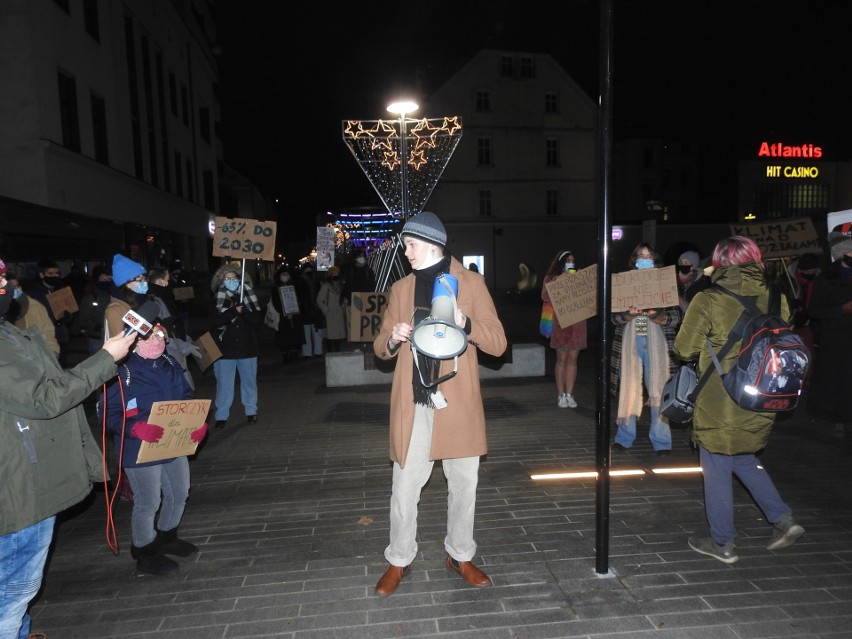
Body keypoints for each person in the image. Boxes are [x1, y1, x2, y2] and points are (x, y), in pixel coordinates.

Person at [0, 256, 138, 639]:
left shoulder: (7, 332)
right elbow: (45, 397)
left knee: (16, 589)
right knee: (14, 589)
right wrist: (106, 359)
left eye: (6, 281)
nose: (8, 290)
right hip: (18, 488)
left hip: (23, 477)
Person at [372, 211, 507, 596]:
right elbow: (380, 346)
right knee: (404, 487)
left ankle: (460, 554)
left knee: (464, 484)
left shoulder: (471, 283)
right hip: (414, 403)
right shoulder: (401, 289)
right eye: (405, 246)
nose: (406, 252)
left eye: (410, 245)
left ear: (432, 244)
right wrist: (394, 338)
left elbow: (498, 342)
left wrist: (467, 324)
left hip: (457, 401)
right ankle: (399, 559)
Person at [673, 236, 805, 564]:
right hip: (762, 394)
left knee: (716, 463)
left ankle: (722, 543)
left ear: (718, 262)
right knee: (744, 457)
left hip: (721, 399)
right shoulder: (776, 295)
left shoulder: (709, 299)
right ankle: (783, 519)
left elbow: (684, 349)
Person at [98, 324, 207, 575]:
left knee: (179, 493)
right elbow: (106, 413)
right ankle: (145, 551)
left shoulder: (169, 364)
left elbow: (186, 398)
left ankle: (167, 536)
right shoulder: (120, 372)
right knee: (148, 501)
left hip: (173, 441)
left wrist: (198, 423)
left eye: (161, 336)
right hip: (139, 448)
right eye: (150, 336)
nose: (157, 340)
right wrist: (134, 429)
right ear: (133, 341)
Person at [611, 243, 681, 455]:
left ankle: (661, 441)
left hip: (657, 344)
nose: (644, 259)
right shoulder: (624, 283)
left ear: (655, 259)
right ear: (634, 259)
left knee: (659, 391)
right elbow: (613, 318)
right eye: (640, 256)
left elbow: (675, 318)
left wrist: (656, 315)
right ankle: (624, 437)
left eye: (648, 256)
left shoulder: (664, 283)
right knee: (629, 389)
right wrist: (628, 315)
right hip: (630, 342)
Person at [806, 226, 852, 439]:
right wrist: (841, 309)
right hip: (837, 338)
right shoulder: (826, 278)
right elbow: (814, 310)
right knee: (839, 381)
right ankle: (838, 418)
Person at [209, 264, 262, 429]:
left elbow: (256, 321)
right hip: (225, 349)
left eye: (234, 278)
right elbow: (213, 322)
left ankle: (251, 411)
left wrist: (244, 311)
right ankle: (222, 415)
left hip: (247, 348)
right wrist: (233, 311)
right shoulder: (217, 298)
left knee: (249, 382)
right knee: (224, 384)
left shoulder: (249, 296)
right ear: (221, 281)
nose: (231, 281)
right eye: (227, 279)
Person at [541, 250, 587, 408]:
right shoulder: (551, 278)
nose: (571, 263)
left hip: (577, 326)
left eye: (573, 260)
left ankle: (569, 394)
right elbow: (545, 296)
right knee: (561, 360)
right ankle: (561, 395)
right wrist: (559, 279)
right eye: (568, 260)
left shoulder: (580, 276)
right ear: (561, 262)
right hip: (560, 326)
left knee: (573, 360)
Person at [147, 267, 198, 391]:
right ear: (160, 281)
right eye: (167, 280)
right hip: (170, 350)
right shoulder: (156, 300)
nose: (169, 283)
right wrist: (184, 346)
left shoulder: (163, 296)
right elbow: (165, 332)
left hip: (174, 345)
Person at [24, 259, 74, 366]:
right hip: (43, 337)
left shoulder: (61, 290)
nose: (55, 276)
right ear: (42, 275)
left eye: (57, 273)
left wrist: (66, 315)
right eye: (50, 274)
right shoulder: (33, 294)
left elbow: (70, 315)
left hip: (61, 336)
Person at [3, 272, 61, 359]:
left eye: (17, 286)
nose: (16, 289)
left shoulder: (34, 306)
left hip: (34, 360)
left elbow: (48, 332)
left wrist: (53, 353)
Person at [104, 254, 149, 339]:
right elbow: (119, 344)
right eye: (140, 280)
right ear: (125, 283)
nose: (145, 283)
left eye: (145, 279)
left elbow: (144, 329)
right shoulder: (116, 310)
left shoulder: (138, 301)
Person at [78, 264, 112, 355]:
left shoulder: (114, 295)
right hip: (96, 336)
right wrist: (95, 326)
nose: (106, 282)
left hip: (111, 336)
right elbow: (83, 318)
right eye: (103, 279)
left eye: (108, 280)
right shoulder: (91, 297)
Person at [317, 266, 348, 353]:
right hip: (330, 314)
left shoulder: (340, 285)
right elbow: (319, 299)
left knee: (338, 335)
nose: (335, 275)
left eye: (337, 274)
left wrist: (344, 303)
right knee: (330, 335)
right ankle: (330, 353)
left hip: (338, 313)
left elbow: (342, 297)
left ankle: (337, 352)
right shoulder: (326, 286)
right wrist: (325, 309)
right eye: (334, 274)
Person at [298, 263, 324, 357]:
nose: (308, 272)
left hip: (315, 310)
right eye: (306, 270)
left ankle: (318, 351)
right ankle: (307, 353)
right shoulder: (300, 282)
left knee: (317, 332)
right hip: (305, 310)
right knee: (306, 333)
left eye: (310, 270)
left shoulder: (316, 281)